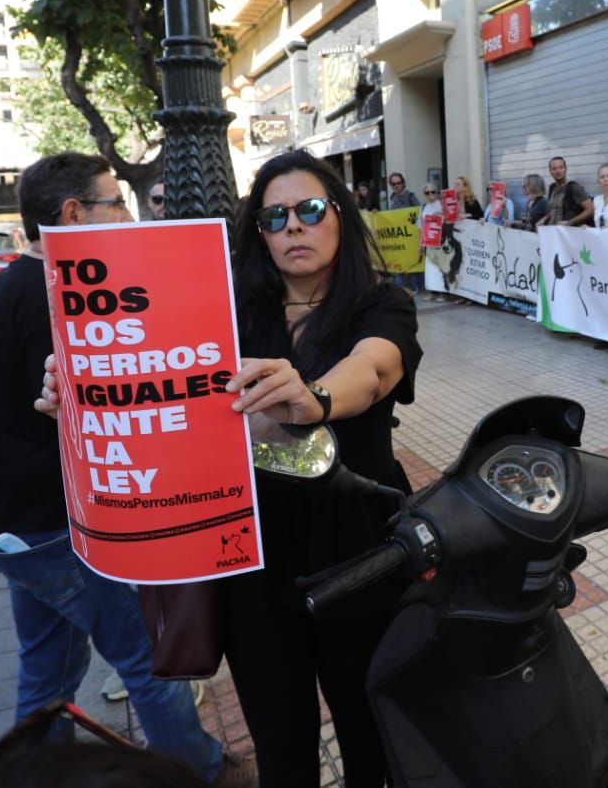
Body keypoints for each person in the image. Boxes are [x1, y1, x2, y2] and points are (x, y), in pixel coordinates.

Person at [0, 153, 231, 785]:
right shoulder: (49, 295)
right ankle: (202, 771)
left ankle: (30, 775)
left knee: (48, 669)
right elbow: (93, 408)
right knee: (144, 660)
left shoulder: (20, 284)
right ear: (74, 214)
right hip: (49, 529)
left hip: (12, 526)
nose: (128, 215)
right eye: (116, 203)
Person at [222, 149, 422, 788]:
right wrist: (87, 395)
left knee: (372, 733)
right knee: (281, 746)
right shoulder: (227, 312)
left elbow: (376, 367)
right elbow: (167, 390)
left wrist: (316, 400)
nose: (293, 228)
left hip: (360, 549)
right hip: (254, 559)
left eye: (310, 210)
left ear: (340, 214)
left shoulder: (380, 302)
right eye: (274, 217)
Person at [385, 173, 421, 290]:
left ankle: (414, 287)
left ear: (403, 183)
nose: (396, 185)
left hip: (410, 237)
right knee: (399, 262)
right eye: (393, 183)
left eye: (398, 183)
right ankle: (400, 287)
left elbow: (419, 212)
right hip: (398, 237)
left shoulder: (410, 196)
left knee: (411, 262)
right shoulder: (392, 197)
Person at [542, 156, 593, 227]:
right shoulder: (552, 187)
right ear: (550, 171)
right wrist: (544, 219)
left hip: (566, 233)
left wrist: (570, 222)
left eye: (561, 167)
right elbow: (553, 209)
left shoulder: (573, 187)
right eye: (554, 168)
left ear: (565, 169)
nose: (558, 171)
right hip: (552, 231)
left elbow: (590, 210)